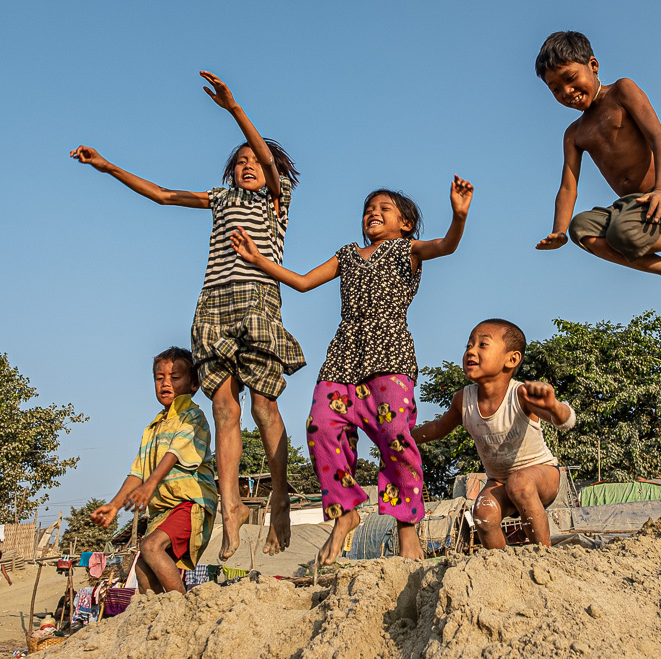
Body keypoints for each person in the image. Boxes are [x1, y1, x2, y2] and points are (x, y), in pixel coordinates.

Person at [71, 71, 304, 561]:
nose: (247, 166)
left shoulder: (275, 204)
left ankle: (279, 495)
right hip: (212, 307)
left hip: (258, 301)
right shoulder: (218, 200)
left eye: (254, 162)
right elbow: (161, 194)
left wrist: (235, 109)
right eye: (238, 162)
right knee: (225, 409)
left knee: (263, 407)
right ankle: (234, 507)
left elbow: (266, 158)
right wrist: (108, 166)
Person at [231, 176, 474, 565]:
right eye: (368, 210)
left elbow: (446, 245)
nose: (373, 214)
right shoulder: (346, 255)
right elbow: (305, 281)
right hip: (344, 354)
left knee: (394, 435)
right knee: (320, 427)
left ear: (405, 224)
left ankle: (406, 528)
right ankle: (345, 511)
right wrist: (260, 261)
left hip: (390, 356)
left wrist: (458, 217)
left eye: (384, 209)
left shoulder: (405, 251)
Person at [534, 31, 661, 317]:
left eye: (570, 78)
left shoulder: (622, 91)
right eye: (555, 89)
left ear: (593, 65)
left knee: (623, 232)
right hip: (631, 208)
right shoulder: (574, 134)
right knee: (580, 229)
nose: (566, 92)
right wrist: (559, 230)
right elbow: (568, 188)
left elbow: (660, 138)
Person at [411, 319, 575, 548]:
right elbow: (439, 427)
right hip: (499, 480)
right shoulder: (463, 400)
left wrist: (554, 406)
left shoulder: (520, 394)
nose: (471, 351)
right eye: (469, 345)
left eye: (482, 345)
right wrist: (405, 436)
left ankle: (544, 557)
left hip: (543, 474)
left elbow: (564, 421)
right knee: (483, 514)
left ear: (512, 359)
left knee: (519, 483)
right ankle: (500, 568)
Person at [92, 347, 219, 594]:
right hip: (164, 510)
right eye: (159, 378)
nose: (165, 383)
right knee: (141, 566)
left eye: (175, 377)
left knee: (151, 547)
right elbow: (137, 472)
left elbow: (175, 454)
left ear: (193, 384)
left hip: (190, 503)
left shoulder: (192, 417)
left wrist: (150, 485)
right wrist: (115, 505)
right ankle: (156, 615)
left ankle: (179, 610)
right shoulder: (152, 428)